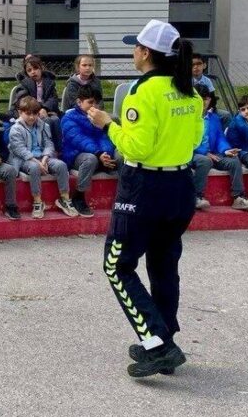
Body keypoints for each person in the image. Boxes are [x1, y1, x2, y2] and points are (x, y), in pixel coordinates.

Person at [85, 19, 204, 377]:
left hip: (144, 187)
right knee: (164, 265)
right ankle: (165, 339)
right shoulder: (189, 92)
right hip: (180, 186)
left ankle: (158, 344)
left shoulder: (142, 92)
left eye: (136, 46)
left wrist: (108, 124)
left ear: (147, 53)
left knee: (117, 265)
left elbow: (136, 147)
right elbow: (195, 140)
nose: (133, 52)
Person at [191, 85, 248, 211]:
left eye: (206, 99)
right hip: (193, 154)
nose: (203, 102)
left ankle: (238, 198)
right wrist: (204, 153)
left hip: (214, 153)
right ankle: (196, 197)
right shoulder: (187, 118)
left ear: (210, 100)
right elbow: (186, 141)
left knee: (234, 161)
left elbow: (220, 138)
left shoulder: (214, 118)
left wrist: (225, 150)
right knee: (205, 161)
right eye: (199, 98)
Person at [8, 96, 72, 219]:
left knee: (61, 165)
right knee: (34, 168)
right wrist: (38, 163)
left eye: (35, 114)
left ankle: (65, 199)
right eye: (28, 114)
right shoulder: (15, 129)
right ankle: (37, 201)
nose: (32, 117)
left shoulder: (43, 125)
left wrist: (45, 158)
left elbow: (48, 143)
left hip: (42, 158)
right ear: (20, 113)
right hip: (24, 160)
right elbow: (20, 150)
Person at [60, 87, 116, 218]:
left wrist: (106, 154)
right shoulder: (69, 118)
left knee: (121, 156)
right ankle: (78, 196)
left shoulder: (100, 117)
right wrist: (99, 153)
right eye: (90, 102)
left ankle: (124, 196)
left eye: (97, 102)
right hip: (76, 155)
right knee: (91, 159)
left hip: (99, 154)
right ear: (79, 102)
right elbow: (79, 140)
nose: (94, 106)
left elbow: (105, 138)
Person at [10, 55, 62, 142]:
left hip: (47, 111)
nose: (33, 72)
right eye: (29, 70)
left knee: (56, 120)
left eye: (36, 68)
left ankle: (58, 147)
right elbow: (24, 100)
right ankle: (43, 144)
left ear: (41, 68)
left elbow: (53, 99)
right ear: (26, 73)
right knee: (47, 121)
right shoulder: (25, 84)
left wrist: (45, 108)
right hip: (30, 112)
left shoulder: (49, 83)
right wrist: (38, 109)